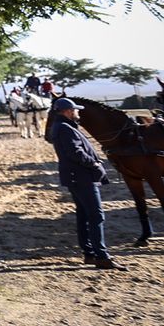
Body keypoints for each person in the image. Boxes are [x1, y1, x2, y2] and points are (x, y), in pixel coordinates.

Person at [47, 98, 122, 270]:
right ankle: (101, 256)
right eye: (76, 110)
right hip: (81, 177)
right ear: (68, 111)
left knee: (84, 215)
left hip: (76, 177)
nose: (78, 113)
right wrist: (94, 163)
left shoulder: (63, 127)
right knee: (96, 216)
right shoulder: (65, 128)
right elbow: (75, 152)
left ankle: (89, 253)